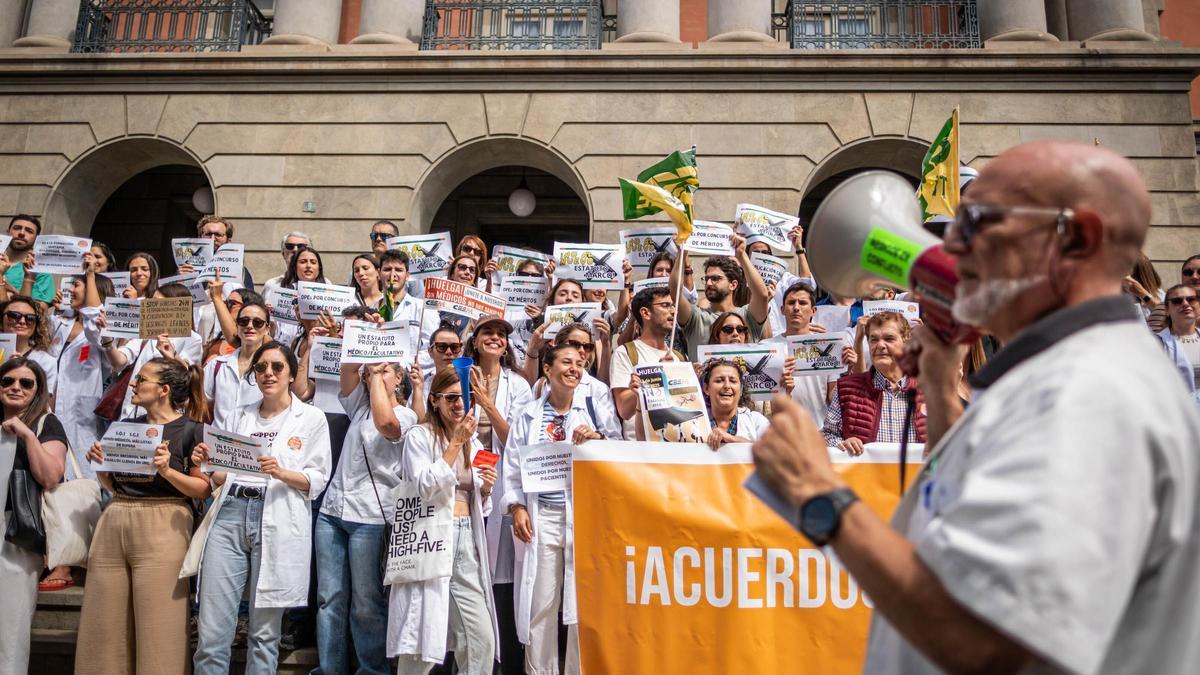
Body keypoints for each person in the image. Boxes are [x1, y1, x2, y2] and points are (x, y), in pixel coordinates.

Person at [751, 140, 1200, 675]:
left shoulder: (1086, 396)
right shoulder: (1060, 373)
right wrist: (940, 388)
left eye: (977, 222)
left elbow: (987, 640)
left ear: (1078, 238)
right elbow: (959, 497)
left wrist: (817, 493)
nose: (951, 246)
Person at [186, 342, 331, 675]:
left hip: (276, 513)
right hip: (231, 513)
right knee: (212, 634)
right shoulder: (240, 415)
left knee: (265, 636)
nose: (268, 373)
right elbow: (221, 474)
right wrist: (206, 462)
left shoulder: (311, 419)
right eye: (261, 367)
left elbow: (317, 479)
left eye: (277, 367)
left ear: (291, 374)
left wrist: (280, 472)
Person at [76, 358, 210, 675]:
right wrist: (101, 465)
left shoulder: (191, 429)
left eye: (142, 379)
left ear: (164, 390)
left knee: (160, 625)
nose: (134, 384)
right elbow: (114, 484)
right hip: (117, 515)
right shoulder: (125, 426)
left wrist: (166, 471)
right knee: (104, 622)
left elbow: (202, 489)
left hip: (165, 521)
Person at [501, 343, 621, 675]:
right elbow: (512, 465)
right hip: (542, 518)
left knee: (582, 605)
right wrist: (517, 506)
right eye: (566, 362)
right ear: (547, 369)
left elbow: (617, 451)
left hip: (583, 517)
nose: (574, 368)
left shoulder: (592, 410)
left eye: (579, 364)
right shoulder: (528, 414)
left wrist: (596, 439)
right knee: (541, 603)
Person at [389, 370, 499, 674]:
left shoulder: (474, 444)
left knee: (481, 640)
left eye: (465, 398)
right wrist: (455, 445)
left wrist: (486, 489)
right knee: (421, 644)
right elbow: (424, 485)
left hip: (466, 540)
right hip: (431, 539)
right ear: (434, 401)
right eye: (451, 398)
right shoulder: (419, 436)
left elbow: (480, 503)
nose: (459, 404)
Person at [314, 359, 418, 675]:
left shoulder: (407, 415)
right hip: (333, 510)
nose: (375, 374)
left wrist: (373, 378)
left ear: (399, 378)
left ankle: (372, 670)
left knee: (366, 603)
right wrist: (364, 347)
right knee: (328, 599)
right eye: (372, 371)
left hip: (371, 517)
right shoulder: (359, 406)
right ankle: (330, 669)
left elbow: (386, 425)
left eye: (385, 370)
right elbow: (347, 371)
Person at [0, 358, 67, 674]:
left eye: (26, 383)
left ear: (38, 390)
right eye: (8, 381)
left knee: (10, 628)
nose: (15, 387)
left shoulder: (45, 424)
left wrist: (27, 434)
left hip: (15, 533)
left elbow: (51, 476)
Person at [821, 311, 923, 454]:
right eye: (874, 339)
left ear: (906, 342)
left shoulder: (929, 390)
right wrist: (842, 444)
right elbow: (826, 435)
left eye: (889, 338)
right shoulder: (847, 388)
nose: (880, 345)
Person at [103, 283, 204, 420]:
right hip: (132, 413)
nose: (151, 307)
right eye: (151, 302)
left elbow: (186, 377)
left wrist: (171, 356)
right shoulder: (146, 332)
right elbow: (120, 361)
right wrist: (107, 341)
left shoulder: (192, 339)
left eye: (157, 303)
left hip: (164, 417)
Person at [49, 268, 114, 476]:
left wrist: (91, 275)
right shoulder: (61, 324)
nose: (70, 290)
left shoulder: (104, 329)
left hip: (82, 415)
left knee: (81, 475)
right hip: (52, 408)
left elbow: (94, 320)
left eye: (76, 285)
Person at [670, 234, 771, 361]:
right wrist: (682, 253)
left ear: (733, 285)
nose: (708, 283)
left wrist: (742, 255)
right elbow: (675, 292)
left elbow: (762, 295)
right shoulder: (696, 318)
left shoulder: (748, 316)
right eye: (706, 279)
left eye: (715, 278)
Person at [770, 281, 857, 427]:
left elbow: (832, 396)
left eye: (802, 303)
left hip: (819, 429)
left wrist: (849, 373)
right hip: (781, 430)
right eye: (791, 303)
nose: (796, 307)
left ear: (813, 311)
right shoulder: (769, 347)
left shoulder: (829, 347)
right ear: (782, 309)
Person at [609, 287, 684, 425]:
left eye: (673, 306)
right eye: (665, 305)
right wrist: (657, 376)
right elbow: (624, 410)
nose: (674, 311)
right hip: (640, 438)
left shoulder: (678, 357)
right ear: (645, 313)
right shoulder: (626, 353)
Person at [204, 297, 272, 430]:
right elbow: (199, 402)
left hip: (254, 440)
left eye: (258, 322)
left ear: (267, 329)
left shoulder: (272, 369)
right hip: (219, 439)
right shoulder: (217, 365)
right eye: (243, 321)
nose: (250, 326)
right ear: (237, 326)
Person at [700, 358, 769, 450]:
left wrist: (731, 439)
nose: (727, 386)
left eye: (733, 381)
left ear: (741, 389)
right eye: (719, 380)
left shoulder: (756, 421)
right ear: (706, 388)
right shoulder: (694, 423)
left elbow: (773, 452)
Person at [1, 295, 59, 395]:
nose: (22, 321)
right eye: (14, 315)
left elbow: (44, 400)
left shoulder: (46, 361)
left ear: (36, 324)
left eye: (30, 318)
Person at [1156, 284, 1200, 406]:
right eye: (1177, 301)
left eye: (1191, 299)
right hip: (1179, 412)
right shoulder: (1157, 343)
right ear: (1167, 310)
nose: (1185, 304)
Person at [192, 214, 255, 290]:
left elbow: (248, 296)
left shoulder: (239, 271)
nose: (212, 239)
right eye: (208, 234)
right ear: (199, 238)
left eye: (218, 235)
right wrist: (183, 279)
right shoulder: (189, 267)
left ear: (228, 241)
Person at [1, 215, 53, 303]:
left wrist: (13, 290)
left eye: (29, 231)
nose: (21, 233)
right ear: (7, 232)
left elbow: (40, 309)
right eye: (17, 228)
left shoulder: (40, 270)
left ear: (36, 239)